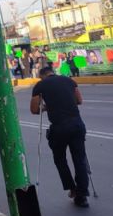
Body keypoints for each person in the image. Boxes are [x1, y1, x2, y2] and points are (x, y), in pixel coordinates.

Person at [29, 66, 90, 208]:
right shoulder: (69, 80)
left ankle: (72, 189)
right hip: (77, 125)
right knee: (79, 160)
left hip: (59, 128)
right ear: (53, 72)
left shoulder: (40, 85)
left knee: (60, 159)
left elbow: (34, 109)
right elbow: (79, 100)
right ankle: (82, 196)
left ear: (42, 75)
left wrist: (47, 107)